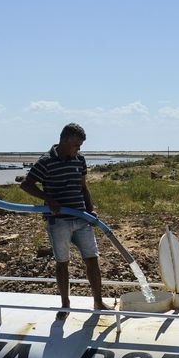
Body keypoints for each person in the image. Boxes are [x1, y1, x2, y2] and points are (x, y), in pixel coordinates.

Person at [20, 123, 107, 314]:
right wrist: (48, 199)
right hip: (58, 221)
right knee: (62, 262)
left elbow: (84, 187)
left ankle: (98, 302)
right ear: (64, 141)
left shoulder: (79, 159)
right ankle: (65, 304)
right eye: (76, 145)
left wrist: (90, 211)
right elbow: (26, 185)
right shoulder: (45, 162)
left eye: (80, 146)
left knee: (92, 259)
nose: (79, 149)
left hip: (82, 218)